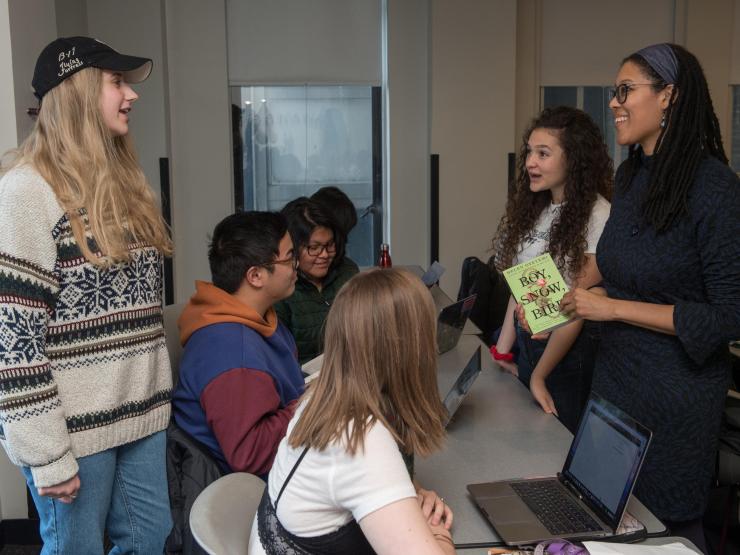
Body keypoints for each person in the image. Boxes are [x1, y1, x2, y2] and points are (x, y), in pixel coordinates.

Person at [560, 43, 740, 552]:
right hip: (615, 378)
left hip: (675, 394)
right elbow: (613, 259)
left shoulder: (716, 190)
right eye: (613, 92)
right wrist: (562, 299)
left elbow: (728, 315)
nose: (614, 103)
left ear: (669, 97)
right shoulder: (631, 175)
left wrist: (611, 307)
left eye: (626, 91)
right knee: (600, 514)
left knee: (664, 531)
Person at [0, 37, 173, 553]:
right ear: (76, 92)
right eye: (116, 82)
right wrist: (46, 453)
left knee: (150, 541)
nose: (132, 95)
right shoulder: (26, 192)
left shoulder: (123, 184)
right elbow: (12, 341)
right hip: (73, 431)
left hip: (139, 417)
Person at [250, 269, 455, 555]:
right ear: (412, 348)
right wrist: (437, 534)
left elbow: (353, 480)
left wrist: (411, 493)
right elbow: (362, 467)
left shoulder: (322, 394)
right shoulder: (362, 441)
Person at [490, 106, 613, 433]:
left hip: (564, 360)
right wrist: (502, 352)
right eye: (530, 151)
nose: (530, 162)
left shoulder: (599, 215)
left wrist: (540, 376)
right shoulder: (539, 207)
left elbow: (572, 300)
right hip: (529, 343)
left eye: (543, 153)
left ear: (574, 159)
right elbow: (522, 287)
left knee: (552, 453)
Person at [172, 211, 304, 477]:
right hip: (253, 491)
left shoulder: (260, 319)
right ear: (255, 276)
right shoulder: (231, 351)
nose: (296, 265)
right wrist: (311, 406)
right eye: (290, 257)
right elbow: (251, 456)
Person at [275, 197, 359, 364]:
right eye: (313, 248)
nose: (324, 255)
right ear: (292, 248)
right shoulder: (281, 287)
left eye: (330, 245)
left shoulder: (347, 272)